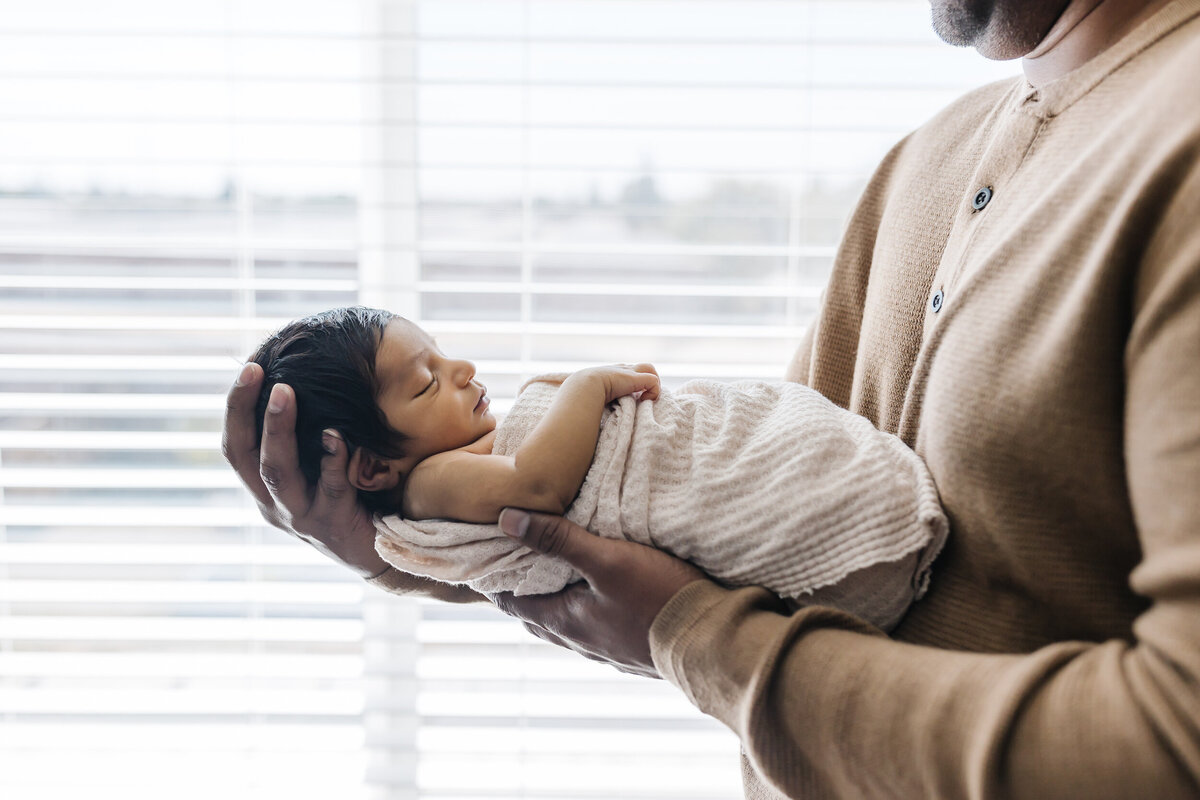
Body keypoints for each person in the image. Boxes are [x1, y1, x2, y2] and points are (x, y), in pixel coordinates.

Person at [223, 0, 1200, 796]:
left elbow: (1176, 740)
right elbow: (742, 535)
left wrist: (697, 637)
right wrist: (390, 539)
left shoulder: (1180, 146)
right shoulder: (922, 166)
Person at [246, 307, 947, 630]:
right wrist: (586, 386)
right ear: (370, 467)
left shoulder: (458, 457)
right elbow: (539, 487)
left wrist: (564, 394)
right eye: (427, 383)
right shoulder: (429, 485)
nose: (461, 370)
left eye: (442, 355)